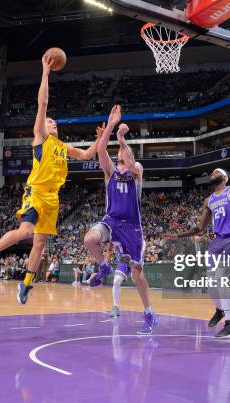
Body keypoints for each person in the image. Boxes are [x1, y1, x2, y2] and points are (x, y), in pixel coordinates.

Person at [0, 54, 107, 305]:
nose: (52, 122)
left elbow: (88, 154)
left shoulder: (64, 147)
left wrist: (100, 137)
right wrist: (45, 73)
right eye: (49, 121)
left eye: (55, 121)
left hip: (52, 198)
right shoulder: (41, 138)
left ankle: (26, 285)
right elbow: (42, 103)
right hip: (36, 190)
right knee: (26, 231)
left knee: (40, 242)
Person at [83, 109, 157, 335]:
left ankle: (149, 313)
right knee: (89, 239)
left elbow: (132, 162)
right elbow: (102, 149)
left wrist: (122, 139)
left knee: (137, 274)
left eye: (126, 152)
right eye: (121, 152)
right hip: (112, 221)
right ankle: (103, 267)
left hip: (133, 228)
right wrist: (112, 126)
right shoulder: (110, 173)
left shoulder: (137, 170)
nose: (123, 154)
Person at [165, 168, 230, 338]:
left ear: (224, 177)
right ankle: (220, 310)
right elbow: (200, 228)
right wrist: (178, 234)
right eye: (211, 173)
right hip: (216, 242)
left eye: (216, 172)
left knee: (220, 278)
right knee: (211, 283)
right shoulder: (208, 200)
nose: (212, 173)